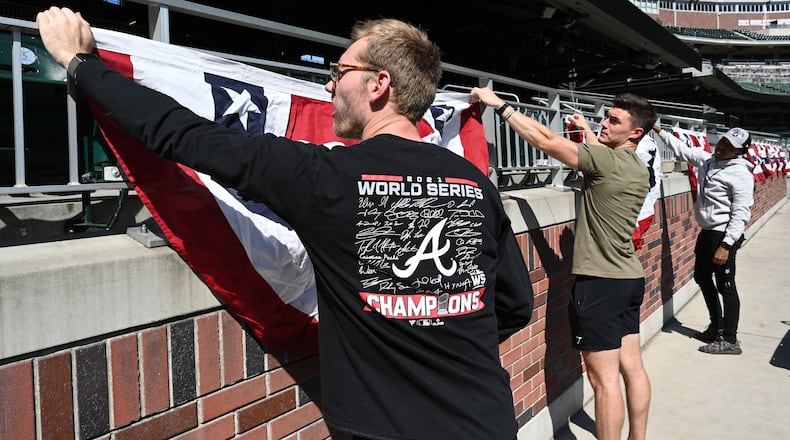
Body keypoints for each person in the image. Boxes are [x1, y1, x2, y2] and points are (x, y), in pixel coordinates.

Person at [36, 7, 534, 440]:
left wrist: (81, 65)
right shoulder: (475, 184)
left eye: (341, 71)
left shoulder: (324, 176)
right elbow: (513, 305)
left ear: (379, 84)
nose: (329, 83)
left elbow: (184, 136)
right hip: (488, 419)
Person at [471, 87, 655, 440]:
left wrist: (501, 107)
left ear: (636, 132)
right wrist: (588, 130)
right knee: (632, 367)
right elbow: (603, 155)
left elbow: (544, 139)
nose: (606, 124)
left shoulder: (605, 160)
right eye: (605, 117)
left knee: (603, 383)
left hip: (599, 284)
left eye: (614, 121)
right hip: (629, 279)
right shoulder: (635, 165)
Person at [654, 125, 754, 355]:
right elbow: (683, 150)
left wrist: (727, 245)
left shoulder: (740, 175)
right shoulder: (709, 160)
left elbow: (741, 214)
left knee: (726, 286)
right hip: (708, 232)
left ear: (740, 152)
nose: (723, 146)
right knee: (701, 277)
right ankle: (716, 326)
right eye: (723, 141)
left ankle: (730, 340)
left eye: (731, 146)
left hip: (724, 234)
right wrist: (659, 131)